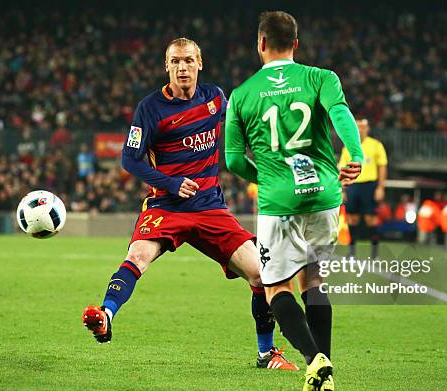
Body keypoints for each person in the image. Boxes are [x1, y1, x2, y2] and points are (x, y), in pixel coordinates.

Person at [81, 38, 297, 371]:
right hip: (165, 206)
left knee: (260, 273)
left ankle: (266, 353)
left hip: (209, 207)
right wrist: (170, 183)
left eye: (188, 61)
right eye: (175, 62)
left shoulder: (215, 98)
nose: (182, 68)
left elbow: (243, 127)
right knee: (138, 256)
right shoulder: (150, 109)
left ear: (199, 63)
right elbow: (130, 159)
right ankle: (106, 316)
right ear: (166, 66)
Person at [225, 11, 363, 391]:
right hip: (323, 196)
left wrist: (265, 178)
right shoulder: (321, 78)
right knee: (314, 281)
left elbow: (233, 161)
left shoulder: (243, 94)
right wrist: (354, 154)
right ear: (296, 44)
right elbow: (341, 114)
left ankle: (313, 359)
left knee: (276, 288)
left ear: (261, 44)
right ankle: (326, 370)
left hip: (278, 201)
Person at [337, 118, 387, 259]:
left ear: (368, 128)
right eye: (358, 127)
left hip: (370, 185)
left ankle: (374, 253)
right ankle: (352, 253)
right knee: (352, 219)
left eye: (363, 127)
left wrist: (380, 187)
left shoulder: (376, 145)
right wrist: (343, 189)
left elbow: (382, 166)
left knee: (371, 219)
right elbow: (343, 168)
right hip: (353, 186)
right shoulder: (348, 147)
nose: (360, 130)